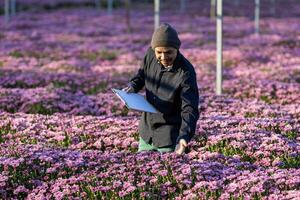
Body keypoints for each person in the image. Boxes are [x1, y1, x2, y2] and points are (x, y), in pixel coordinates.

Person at [123, 23, 199, 155]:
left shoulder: (186, 72)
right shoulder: (150, 55)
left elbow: (190, 108)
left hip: (168, 136)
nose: (163, 57)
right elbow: (141, 76)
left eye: (169, 52)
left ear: (177, 49)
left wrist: (183, 137)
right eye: (159, 52)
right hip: (147, 132)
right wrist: (133, 86)